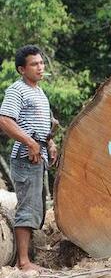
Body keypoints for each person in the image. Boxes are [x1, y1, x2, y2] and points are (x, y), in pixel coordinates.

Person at [0, 45, 57, 272]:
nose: (40, 67)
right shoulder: (17, 90)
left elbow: (44, 126)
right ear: (21, 69)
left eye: (42, 63)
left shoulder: (39, 92)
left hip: (38, 155)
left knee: (36, 208)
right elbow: (4, 120)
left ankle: (26, 258)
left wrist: (49, 143)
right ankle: (23, 262)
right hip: (25, 157)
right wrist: (30, 142)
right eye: (34, 64)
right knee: (27, 207)